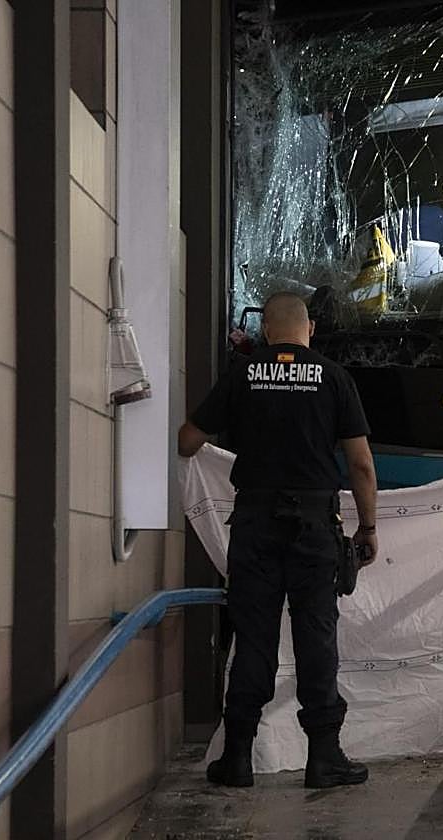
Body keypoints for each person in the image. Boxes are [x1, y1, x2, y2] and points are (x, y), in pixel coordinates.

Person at [178, 291, 379, 789]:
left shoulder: (243, 374)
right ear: (308, 328)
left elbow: (187, 440)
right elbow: (360, 465)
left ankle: (238, 759)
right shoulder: (335, 379)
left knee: (254, 639)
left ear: (267, 331)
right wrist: (368, 528)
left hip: (255, 526)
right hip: (314, 530)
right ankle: (324, 758)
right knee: (316, 639)